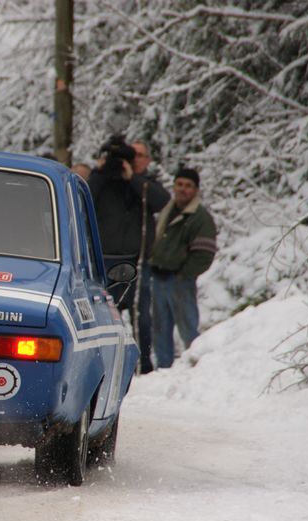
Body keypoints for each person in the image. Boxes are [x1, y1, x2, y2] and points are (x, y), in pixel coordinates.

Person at [87, 136, 170, 374]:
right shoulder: (99, 180)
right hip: (102, 260)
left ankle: (144, 364)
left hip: (135, 260)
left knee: (141, 316)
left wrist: (131, 178)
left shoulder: (142, 183)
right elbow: (84, 201)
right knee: (100, 314)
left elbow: (162, 202)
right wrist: (99, 173)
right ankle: (100, 364)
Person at [150, 168, 217, 369]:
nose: (183, 189)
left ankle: (196, 367)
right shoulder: (167, 210)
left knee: (188, 328)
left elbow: (205, 254)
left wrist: (184, 274)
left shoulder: (200, 217)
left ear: (196, 190)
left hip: (180, 281)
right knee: (160, 329)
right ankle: (163, 368)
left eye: (188, 186)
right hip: (159, 277)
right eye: (179, 184)